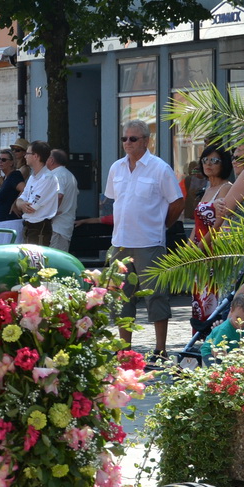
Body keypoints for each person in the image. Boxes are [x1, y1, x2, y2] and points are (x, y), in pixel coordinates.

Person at [104, 120, 185, 359]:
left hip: (149, 243)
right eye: (124, 139)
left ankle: (160, 350)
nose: (127, 143)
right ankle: (124, 350)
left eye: (133, 139)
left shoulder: (159, 168)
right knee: (121, 297)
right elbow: (113, 200)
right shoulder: (116, 168)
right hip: (120, 242)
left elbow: (177, 201)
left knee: (156, 296)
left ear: (146, 141)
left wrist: (162, 226)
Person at [189, 146, 236, 329]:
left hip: (213, 250)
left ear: (223, 163)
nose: (208, 164)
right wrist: (189, 246)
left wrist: (202, 245)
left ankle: (212, 336)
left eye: (214, 161)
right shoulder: (207, 187)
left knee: (213, 296)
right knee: (199, 296)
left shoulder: (226, 188)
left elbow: (220, 222)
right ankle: (199, 337)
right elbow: (197, 221)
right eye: (205, 160)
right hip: (198, 248)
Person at [14, 141, 62, 246]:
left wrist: (21, 204)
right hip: (29, 226)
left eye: (27, 153)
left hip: (40, 227)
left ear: (35, 156)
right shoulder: (32, 177)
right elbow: (20, 199)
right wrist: (21, 203)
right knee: (26, 260)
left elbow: (31, 207)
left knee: (36, 261)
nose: (25, 156)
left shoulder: (48, 178)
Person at [202, 291, 244, 359]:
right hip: (209, 353)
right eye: (238, 318)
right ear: (231, 310)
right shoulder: (225, 329)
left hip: (230, 353)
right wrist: (231, 358)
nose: (241, 322)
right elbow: (215, 351)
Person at [46, 149, 79, 252]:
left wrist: (50, 214)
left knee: (54, 261)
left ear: (51, 160)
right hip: (63, 225)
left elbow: (59, 195)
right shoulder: (68, 174)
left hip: (57, 226)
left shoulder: (57, 174)